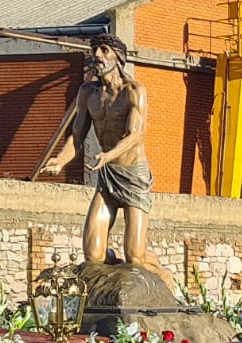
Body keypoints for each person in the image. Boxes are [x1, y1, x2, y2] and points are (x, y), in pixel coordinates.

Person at [39, 34, 159, 274]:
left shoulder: (133, 91)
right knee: (93, 255)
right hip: (107, 175)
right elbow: (77, 136)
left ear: (118, 57)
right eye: (95, 50)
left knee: (135, 257)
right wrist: (60, 161)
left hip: (133, 175)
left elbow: (135, 135)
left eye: (104, 50)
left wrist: (108, 155)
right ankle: (114, 269)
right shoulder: (88, 93)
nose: (97, 56)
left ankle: (160, 272)